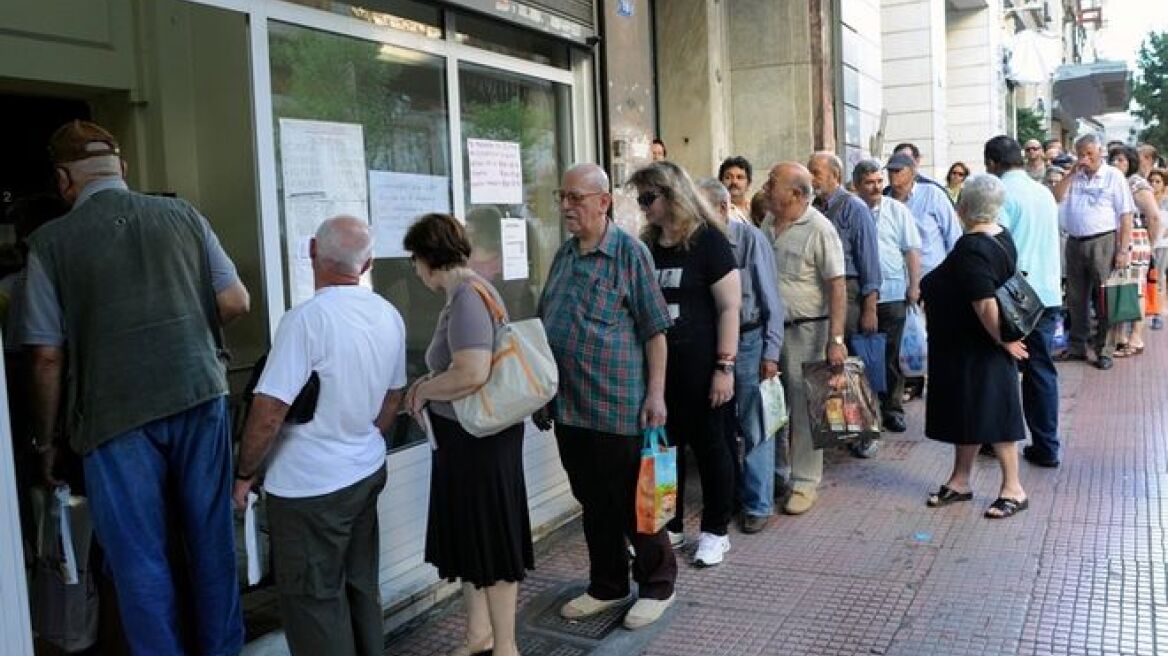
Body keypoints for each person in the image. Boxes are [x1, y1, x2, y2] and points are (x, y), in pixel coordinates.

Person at [24, 120, 250, 655]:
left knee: (138, 555)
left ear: (63, 179)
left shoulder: (50, 244)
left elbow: (46, 355)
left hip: (112, 412)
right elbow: (236, 301)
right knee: (210, 537)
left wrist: (46, 441)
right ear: (122, 168)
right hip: (199, 391)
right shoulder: (185, 216)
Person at [233, 216, 404, 656]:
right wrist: (358, 437)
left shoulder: (305, 320)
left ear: (312, 250)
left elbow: (269, 411)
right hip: (363, 470)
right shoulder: (388, 314)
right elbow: (393, 397)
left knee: (313, 599)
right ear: (365, 264)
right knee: (359, 585)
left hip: (309, 487)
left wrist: (245, 472)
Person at [535, 163, 678, 629]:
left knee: (636, 502)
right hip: (571, 408)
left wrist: (656, 395)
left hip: (619, 406)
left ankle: (658, 585)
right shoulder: (565, 254)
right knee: (593, 502)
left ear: (603, 201)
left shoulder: (629, 254)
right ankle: (607, 585)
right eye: (563, 197)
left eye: (575, 198)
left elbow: (656, 331)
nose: (565, 207)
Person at [400, 213, 533, 656]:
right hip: (470, 441)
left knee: (491, 544)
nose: (415, 270)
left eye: (415, 259)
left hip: (480, 442)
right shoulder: (466, 292)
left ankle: (506, 647)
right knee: (475, 542)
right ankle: (480, 635)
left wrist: (421, 390)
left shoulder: (468, 297)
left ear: (426, 257)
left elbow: (472, 372)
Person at [630, 161, 741, 565]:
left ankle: (715, 530)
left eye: (648, 198)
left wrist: (724, 367)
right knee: (666, 449)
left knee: (712, 448)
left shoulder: (708, 241)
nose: (643, 207)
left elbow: (730, 307)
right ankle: (671, 524)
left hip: (704, 366)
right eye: (640, 199)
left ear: (671, 194)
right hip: (661, 372)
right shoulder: (647, 244)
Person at [921, 173, 1029, 519]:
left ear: (963, 207)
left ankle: (1013, 488)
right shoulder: (1002, 236)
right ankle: (960, 480)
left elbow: (984, 303)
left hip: (978, 346)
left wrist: (1004, 339)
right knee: (968, 411)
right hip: (965, 347)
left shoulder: (972, 248)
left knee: (995, 413)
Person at [696, 178, 785, 534]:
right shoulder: (697, 243)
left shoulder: (750, 240)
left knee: (754, 424)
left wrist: (772, 352)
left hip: (749, 341)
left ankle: (757, 503)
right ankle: (731, 494)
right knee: (720, 425)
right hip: (712, 343)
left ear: (721, 209)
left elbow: (771, 302)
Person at [760, 163, 847, 515]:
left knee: (804, 407)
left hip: (807, 330)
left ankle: (804, 482)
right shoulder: (767, 223)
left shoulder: (820, 228)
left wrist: (836, 338)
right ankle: (777, 474)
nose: (765, 187)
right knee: (769, 405)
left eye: (773, 183)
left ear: (795, 194)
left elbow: (837, 285)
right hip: (769, 331)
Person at [985, 135, 1063, 468]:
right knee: (1041, 370)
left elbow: (995, 242)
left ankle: (996, 438)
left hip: (1013, 294)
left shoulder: (1001, 194)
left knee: (999, 366)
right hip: (1046, 292)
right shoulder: (1042, 191)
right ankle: (1046, 446)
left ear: (992, 163)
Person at [808, 152, 882, 458]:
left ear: (835, 176)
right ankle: (840, 428)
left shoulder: (854, 208)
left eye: (816, 172)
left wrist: (870, 306)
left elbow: (869, 262)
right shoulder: (811, 209)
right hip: (820, 292)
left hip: (849, 292)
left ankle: (866, 430)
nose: (811, 177)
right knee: (831, 367)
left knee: (854, 365)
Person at [1053, 133, 1135, 370]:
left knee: (1104, 298)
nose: (1085, 158)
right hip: (1075, 241)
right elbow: (1056, 197)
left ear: (1100, 152)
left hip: (1103, 240)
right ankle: (1077, 345)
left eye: (1089, 153)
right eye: (1081, 154)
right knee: (1076, 298)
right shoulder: (1074, 176)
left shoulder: (1113, 176)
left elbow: (1126, 214)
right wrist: (1070, 173)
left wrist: (1122, 249)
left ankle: (1104, 349)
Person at [852, 160, 921, 434]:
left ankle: (892, 408)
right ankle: (866, 411)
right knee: (862, 355)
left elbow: (912, 250)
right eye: (870, 182)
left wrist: (914, 286)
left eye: (879, 181)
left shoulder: (897, 210)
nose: (876, 187)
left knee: (892, 356)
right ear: (857, 185)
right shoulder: (851, 210)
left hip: (892, 293)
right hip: (859, 295)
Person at [1106, 145, 1161, 355]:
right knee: (1121, 287)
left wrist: (1150, 242)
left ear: (1131, 163)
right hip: (1118, 238)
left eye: (1121, 160)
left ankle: (1136, 338)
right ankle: (1120, 336)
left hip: (1136, 239)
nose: (1116, 164)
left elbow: (1154, 216)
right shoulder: (1115, 182)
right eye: (1113, 159)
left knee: (1136, 289)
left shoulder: (1136, 183)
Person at [886, 152, 963, 277]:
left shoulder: (932, 194)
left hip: (933, 276)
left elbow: (953, 236)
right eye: (890, 171)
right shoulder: (885, 202)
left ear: (912, 173)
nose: (893, 175)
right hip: (897, 279)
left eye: (898, 170)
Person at [1149, 168, 1168, 328]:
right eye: (1151, 181)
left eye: (1158, 182)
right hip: (1145, 245)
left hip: (1162, 246)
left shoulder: (1166, 201)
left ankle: (1158, 314)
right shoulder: (1145, 199)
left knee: (1159, 279)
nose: (1154, 184)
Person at [719, 156, 754, 222]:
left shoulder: (755, 208)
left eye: (740, 177)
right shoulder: (716, 211)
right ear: (720, 182)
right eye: (728, 177)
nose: (734, 181)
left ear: (748, 183)